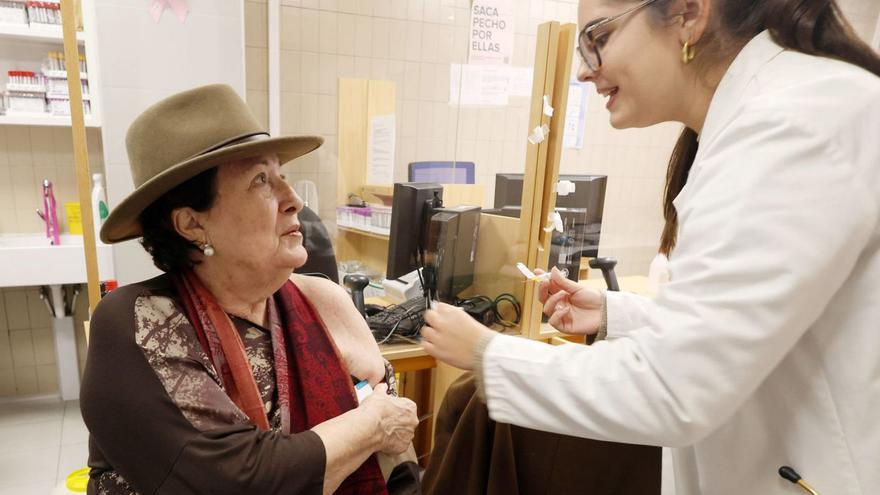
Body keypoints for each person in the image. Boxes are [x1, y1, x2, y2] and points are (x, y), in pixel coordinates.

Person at [420, 0, 880, 493]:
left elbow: (677, 387)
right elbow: (743, 329)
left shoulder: (792, 122)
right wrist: (622, 315)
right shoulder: (778, 110)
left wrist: (490, 355)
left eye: (597, 39)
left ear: (687, 13)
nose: (582, 71)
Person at [81, 84, 420, 494]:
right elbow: (237, 482)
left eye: (282, 175)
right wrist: (372, 423)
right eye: (261, 179)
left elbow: (395, 457)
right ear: (192, 223)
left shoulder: (324, 301)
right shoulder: (138, 324)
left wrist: (379, 424)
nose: (292, 199)